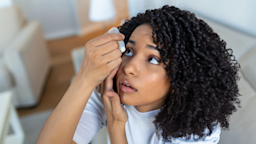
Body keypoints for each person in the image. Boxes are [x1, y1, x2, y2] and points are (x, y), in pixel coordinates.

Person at [37, 5, 241, 144]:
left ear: (182, 77)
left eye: (152, 59)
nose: (129, 67)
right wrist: (84, 78)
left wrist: (116, 127)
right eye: (129, 51)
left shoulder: (196, 128)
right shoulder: (110, 90)